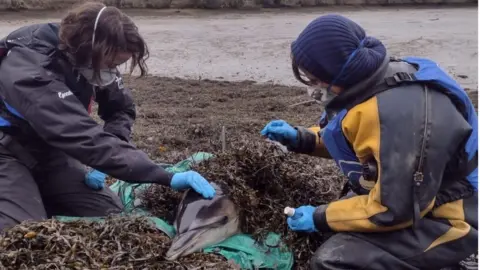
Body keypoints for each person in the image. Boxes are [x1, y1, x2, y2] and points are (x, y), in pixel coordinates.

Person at [261, 14, 478, 270]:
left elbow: (393, 210)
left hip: (450, 215)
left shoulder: (398, 114)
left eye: (315, 79)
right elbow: (355, 139)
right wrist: (302, 138)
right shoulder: (365, 81)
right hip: (412, 195)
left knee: (332, 261)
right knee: (334, 231)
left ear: (334, 71)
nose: (312, 88)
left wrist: (319, 217)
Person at [0, 2, 216, 231]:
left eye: (118, 65)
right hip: (7, 150)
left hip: (50, 153)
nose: (113, 72)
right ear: (88, 50)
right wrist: (163, 175)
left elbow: (121, 109)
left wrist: (115, 143)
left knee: (113, 218)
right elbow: (79, 134)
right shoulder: (30, 70)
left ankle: (35, 195)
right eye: (112, 64)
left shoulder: (88, 60)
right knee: (20, 234)